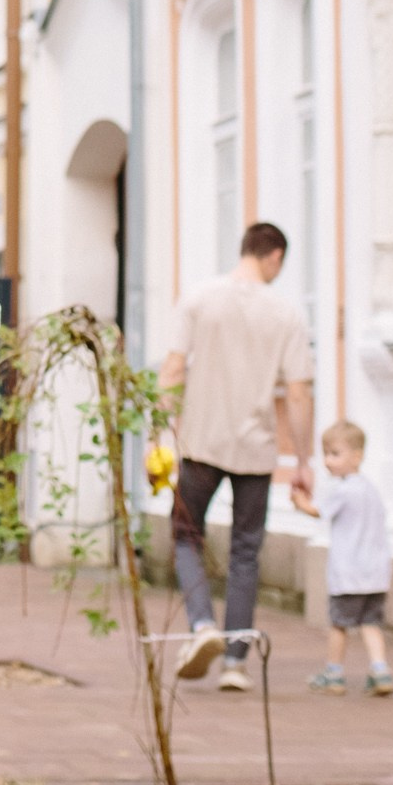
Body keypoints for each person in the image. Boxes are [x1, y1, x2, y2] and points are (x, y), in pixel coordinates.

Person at [158, 219, 313, 692]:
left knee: (186, 535)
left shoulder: (200, 299)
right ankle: (234, 662)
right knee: (246, 552)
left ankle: (202, 623)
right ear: (274, 257)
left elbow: (173, 367)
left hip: (201, 443)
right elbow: (300, 392)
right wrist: (303, 461)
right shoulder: (286, 314)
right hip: (256, 448)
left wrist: (160, 433)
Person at [292, 420, 393, 696]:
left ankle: (334, 672)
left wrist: (301, 504)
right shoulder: (370, 489)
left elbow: (318, 512)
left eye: (335, 454)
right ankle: (380, 669)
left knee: (339, 624)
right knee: (371, 623)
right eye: (326, 453)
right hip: (376, 573)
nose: (327, 461)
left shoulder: (343, 490)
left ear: (356, 456)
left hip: (348, 573)